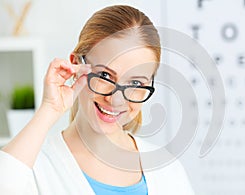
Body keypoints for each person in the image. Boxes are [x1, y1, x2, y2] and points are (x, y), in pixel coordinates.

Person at [0, 5, 195, 195]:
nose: (116, 99)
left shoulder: (167, 170)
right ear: (76, 64)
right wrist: (50, 109)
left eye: (135, 82)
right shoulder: (35, 166)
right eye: (105, 76)